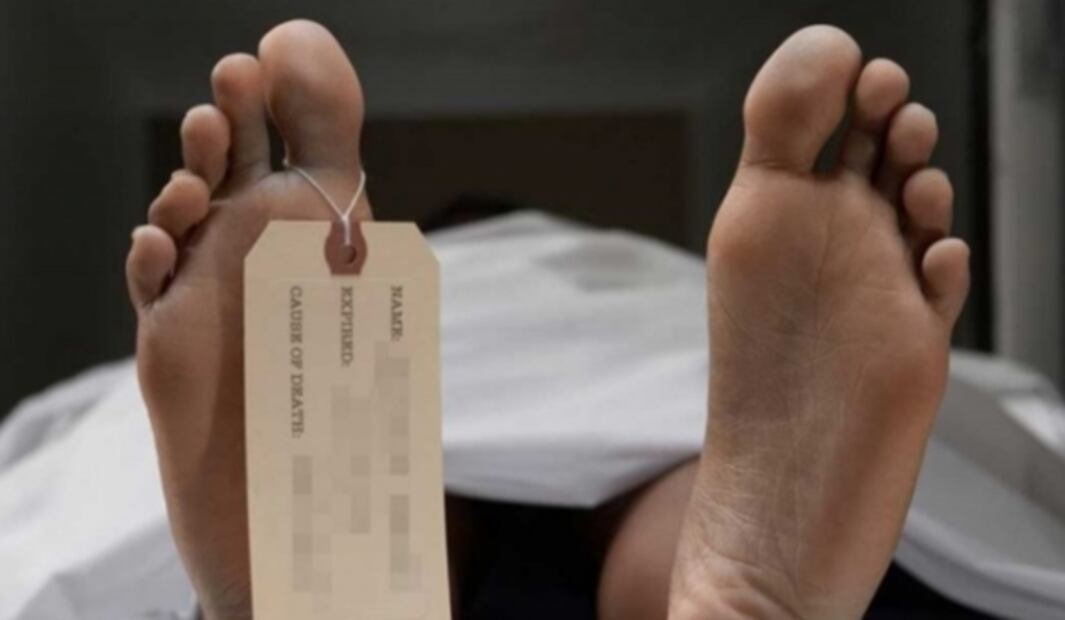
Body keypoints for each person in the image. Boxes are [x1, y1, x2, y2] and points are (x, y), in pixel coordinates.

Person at [125, 20, 969, 620]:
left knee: (414, 513)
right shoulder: (618, 261)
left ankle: (329, 584)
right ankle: (728, 593)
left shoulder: (567, 262)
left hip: (491, 399)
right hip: (646, 383)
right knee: (664, 482)